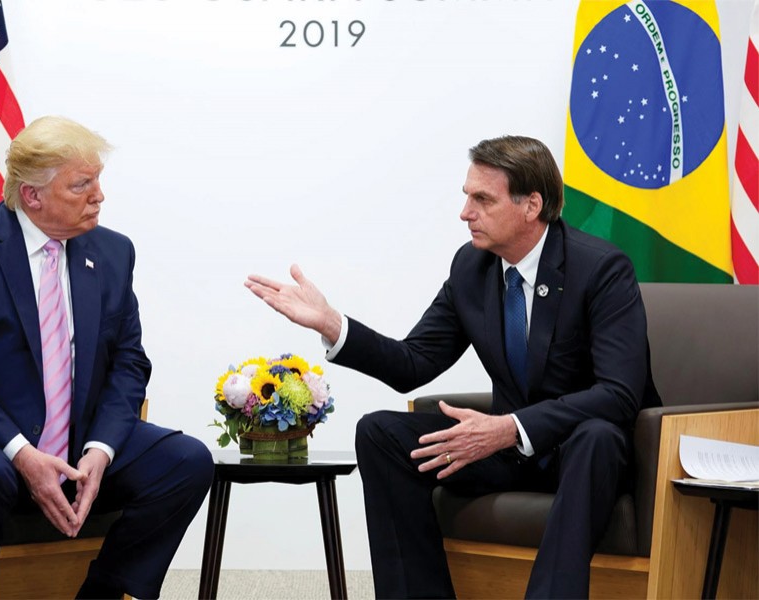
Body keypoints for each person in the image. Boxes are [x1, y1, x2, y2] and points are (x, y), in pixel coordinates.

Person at [245, 135, 661, 599]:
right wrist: (332, 323)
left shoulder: (601, 269)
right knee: (380, 434)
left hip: (584, 451)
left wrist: (510, 427)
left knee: (597, 435)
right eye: (467, 196)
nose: (465, 212)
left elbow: (619, 393)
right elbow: (413, 362)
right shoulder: (472, 268)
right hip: (509, 453)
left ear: (532, 205)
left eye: (482, 199)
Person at [0, 116, 214, 599]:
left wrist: (100, 449)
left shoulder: (111, 252)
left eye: (98, 181)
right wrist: (21, 452)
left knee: (186, 461)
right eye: (82, 185)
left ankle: (101, 593)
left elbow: (130, 362)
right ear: (32, 195)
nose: (99, 196)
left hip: (76, 438)